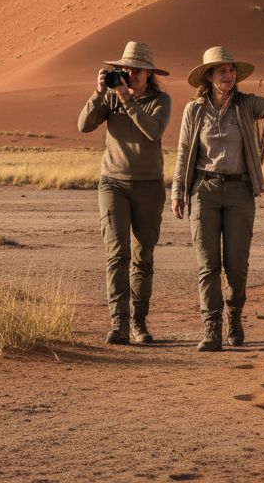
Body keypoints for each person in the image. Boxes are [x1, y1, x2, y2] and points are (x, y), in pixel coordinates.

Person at [171, 46, 264, 352]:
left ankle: (235, 316)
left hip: (240, 192)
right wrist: (178, 192)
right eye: (221, 70)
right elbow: (184, 151)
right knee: (207, 264)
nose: (228, 75)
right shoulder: (194, 110)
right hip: (204, 190)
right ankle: (211, 327)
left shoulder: (246, 105)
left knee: (236, 265)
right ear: (209, 76)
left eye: (231, 70)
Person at [78, 41, 172, 345]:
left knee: (143, 257)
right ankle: (118, 324)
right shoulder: (110, 97)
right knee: (117, 254)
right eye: (126, 68)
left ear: (149, 73)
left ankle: (138, 324)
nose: (130, 73)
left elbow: (152, 131)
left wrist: (126, 99)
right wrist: (98, 94)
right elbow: (83, 126)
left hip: (149, 185)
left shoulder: (161, 100)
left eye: (136, 69)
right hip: (113, 183)